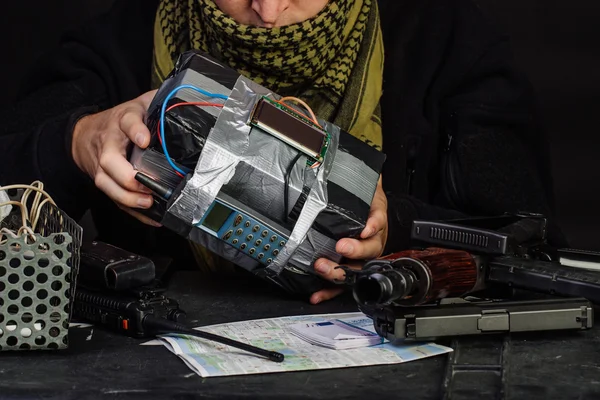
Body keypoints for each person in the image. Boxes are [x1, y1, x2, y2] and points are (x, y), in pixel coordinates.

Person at [0, 0, 565, 304]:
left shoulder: (446, 40)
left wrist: (396, 231)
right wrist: (72, 142)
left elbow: (533, 251)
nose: (267, 11)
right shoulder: (121, 40)